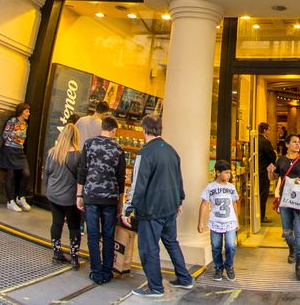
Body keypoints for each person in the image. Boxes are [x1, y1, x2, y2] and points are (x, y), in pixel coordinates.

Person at [122, 114, 195, 297]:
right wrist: (179, 200)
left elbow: (138, 183)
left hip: (151, 210)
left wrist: (127, 208)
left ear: (143, 130)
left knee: (148, 248)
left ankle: (155, 287)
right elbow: (178, 178)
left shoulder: (145, 153)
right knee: (171, 243)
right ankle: (185, 279)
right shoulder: (172, 151)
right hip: (170, 207)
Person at [77, 115, 126, 285]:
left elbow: (82, 171)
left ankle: (96, 271)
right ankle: (107, 270)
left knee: (92, 234)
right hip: (110, 198)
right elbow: (121, 179)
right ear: (113, 130)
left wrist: (79, 195)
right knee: (108, 234)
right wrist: (121, 203)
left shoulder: (89, 144)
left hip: (90, 195)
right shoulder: (119, 149)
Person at [274, 133, 300, 281]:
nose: (297, 144)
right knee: (286, 232)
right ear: (286, 144)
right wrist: (268, 173)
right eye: (293, 142)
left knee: (299, 232)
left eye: (298, 142)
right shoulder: (281, 161)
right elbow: (275, 177)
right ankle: (292, 247)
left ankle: (299, 266)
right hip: (285, 200)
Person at [43, 122, 82, 268]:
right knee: (74, 227)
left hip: (54, 194)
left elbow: (46, 173)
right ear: (75, 137)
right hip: (70, 197)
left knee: (56, 223)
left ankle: (56, 253)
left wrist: (49, 190)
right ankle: (74, 257)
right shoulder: (78, 155)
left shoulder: (53, 152)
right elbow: (80, 178)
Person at [198, 159, 240, 282]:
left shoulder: (231, 187)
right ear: (218, 173)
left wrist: (237, 220)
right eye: (226, 172)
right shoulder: (210, 187)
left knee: (231, 246)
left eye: (229, 172)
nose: (229, 175)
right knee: (216, 246)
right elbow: (204, 203)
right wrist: (200, 222)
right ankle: (218, 268)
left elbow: (235, 203)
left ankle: (229, 266)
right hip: (215, 222)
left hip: (230, 222)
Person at [0, 103, 32, 212]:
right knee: (10, 175)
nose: (28, 114)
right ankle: (10, 201)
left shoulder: (25, 124)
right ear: (21, 111)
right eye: (27, 111)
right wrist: (16, 133)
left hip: (19, 150)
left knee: (26, 173)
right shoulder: (12, 121)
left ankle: (20, 197)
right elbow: (5, 135)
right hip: (9, 149)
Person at [256, 122, 277, 223]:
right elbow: (271, 155)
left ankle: (256, 214)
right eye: (269, 129)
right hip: (263, 170)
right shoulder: (265, 141)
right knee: (263, 193)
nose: (270, 131)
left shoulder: (255, 140)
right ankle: (261, 215)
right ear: (264, 130)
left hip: (256, 169)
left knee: (257, 193)